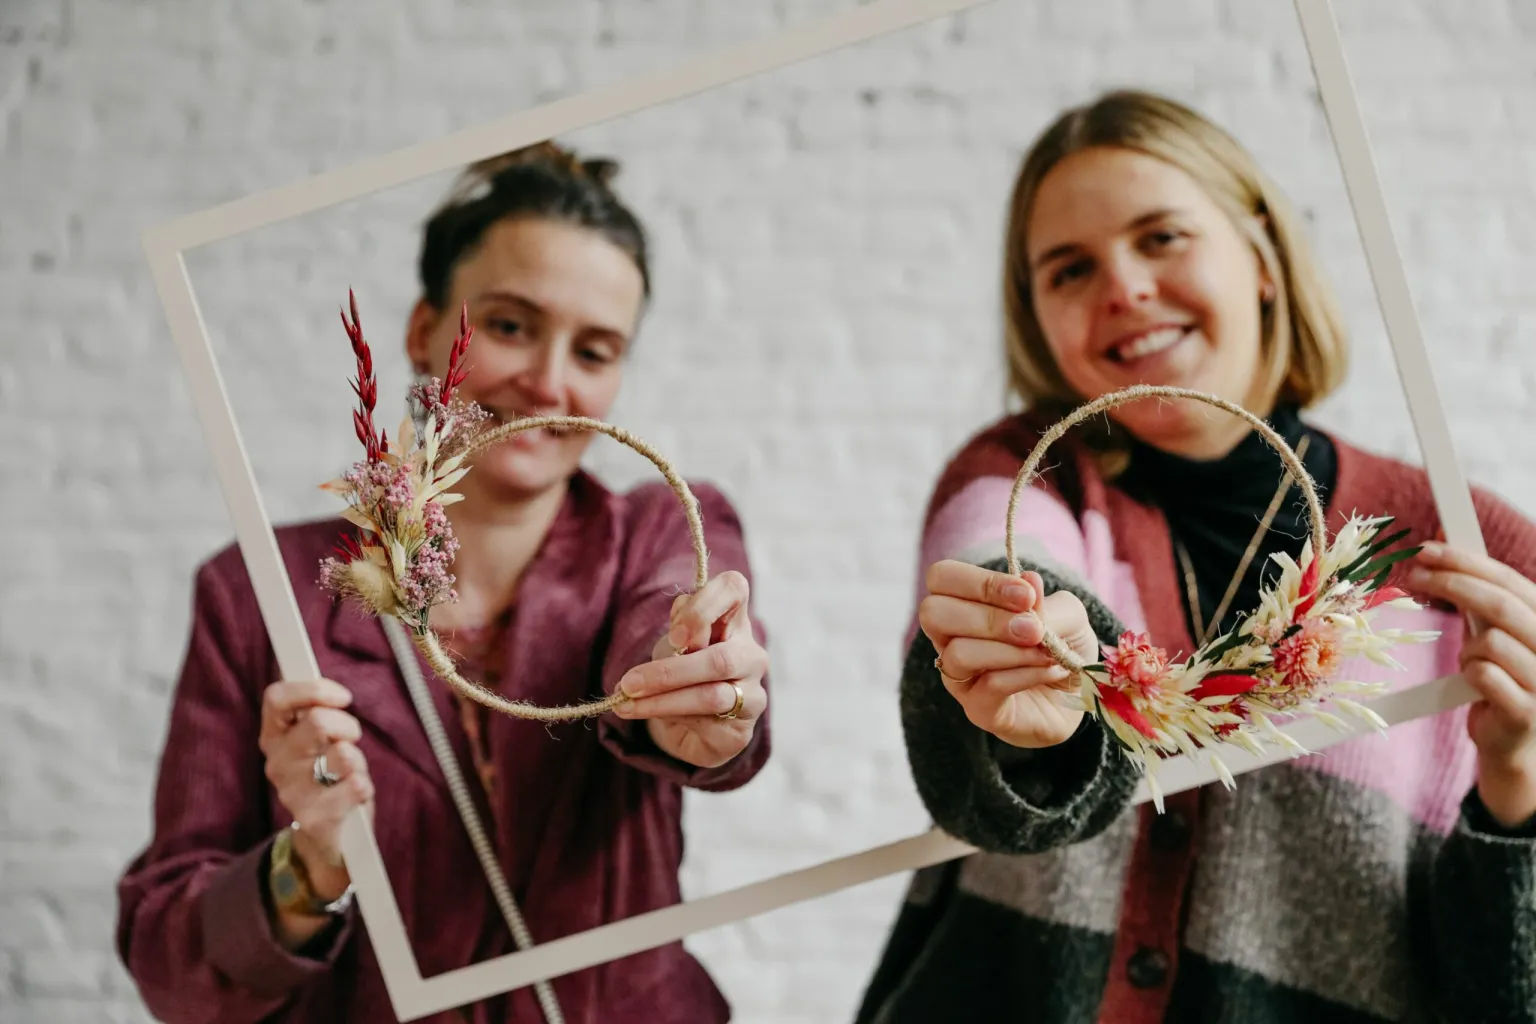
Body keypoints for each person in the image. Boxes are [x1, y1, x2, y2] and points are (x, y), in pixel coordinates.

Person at [853, 90, 1536, 1024]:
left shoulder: (1467, 554)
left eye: (1162, 237)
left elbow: (1507, 992)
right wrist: (1035, 699)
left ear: (1260, 258)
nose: (1123, 286)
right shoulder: (1021, 480)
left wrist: (1519, 795)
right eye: (1068, 269)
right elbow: (999, 628)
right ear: (1038, 318)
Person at [116, 142, 772, 1024]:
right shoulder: (257, 593)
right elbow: (170, 968)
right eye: (507, 325)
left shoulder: (661, 534)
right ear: (424, 329)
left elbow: (664, 626)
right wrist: (309, 864)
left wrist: (694, 690)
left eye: (595, 349)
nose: (547, 381)